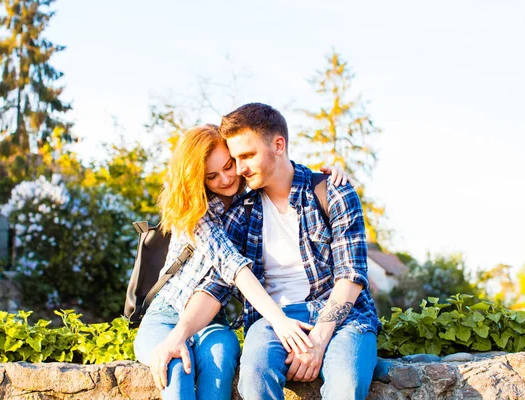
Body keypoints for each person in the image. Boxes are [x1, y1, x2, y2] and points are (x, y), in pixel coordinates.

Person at [133, 124, 350, 400]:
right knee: (176, 367)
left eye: (228, 166)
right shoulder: (196, 213)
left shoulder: (248, 196)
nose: (225, 179)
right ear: (198, 179)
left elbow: (279, 170)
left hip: (212, 319)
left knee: (221, 368)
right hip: (167, 315)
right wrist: (279, 321)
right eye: (212, 176)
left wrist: (327, 178)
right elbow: (234, 267)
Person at [198, 103, 381, 400]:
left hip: (343, 318)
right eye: (236, 158)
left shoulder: (332, 191)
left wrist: (318, 341)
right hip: (274, 321)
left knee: (346, 385)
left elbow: (351, 275)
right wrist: (178, 335)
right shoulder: (242, 212)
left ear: (278, 145)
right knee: (255, 380)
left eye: (247, 155)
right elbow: (219, 281)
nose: (240, 168)